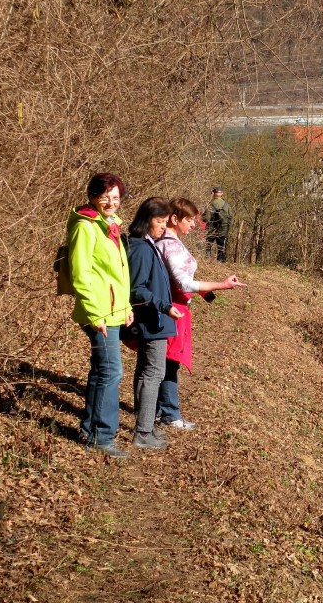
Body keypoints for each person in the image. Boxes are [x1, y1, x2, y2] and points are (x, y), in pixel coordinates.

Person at [154, 199, 247, 430]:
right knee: (169, 361)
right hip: (173, 310)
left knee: (165, 361)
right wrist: (221, 285)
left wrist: (205, 293)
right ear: (175, 219)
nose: (194, 225)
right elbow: (183, 283)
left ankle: (158, 410)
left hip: (175, 308)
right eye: (190, 220)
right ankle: (169, 413)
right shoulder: (171, 245)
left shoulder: (172, 242)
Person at [68, 173, 133, 459]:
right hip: (98, 312)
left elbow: (117, 272)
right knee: (110, 371)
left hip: (113, 310)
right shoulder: (86, 227)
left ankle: (90, 431)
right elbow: (80, 274)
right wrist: (96, 314)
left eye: (116, 197)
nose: (111, 202)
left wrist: (126, 306)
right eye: (106, 196)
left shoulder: (110, 225)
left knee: (101, 371)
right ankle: (100, 436)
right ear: (93, 196)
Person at [127, 197, 183, 452]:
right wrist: (164, 306)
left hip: (157, 319)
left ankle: (145, 426)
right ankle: (144, 431)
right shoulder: (140, 248)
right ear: (145, 220)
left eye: (164, 221)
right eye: (159, 221)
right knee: (153, 373)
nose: (163, 226)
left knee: (146, 372)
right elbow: (137, 289)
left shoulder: (149, 244)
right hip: (154, 320)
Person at [202, 187, 232, 262]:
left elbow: (206, 219)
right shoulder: (227, 205)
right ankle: (220, 262)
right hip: (223, 229)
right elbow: (230, 217)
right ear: (222, 193)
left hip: (211, 229)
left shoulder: (210, 204)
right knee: (221, 247)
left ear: (213, 193)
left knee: (208, 246)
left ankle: (207, 262)